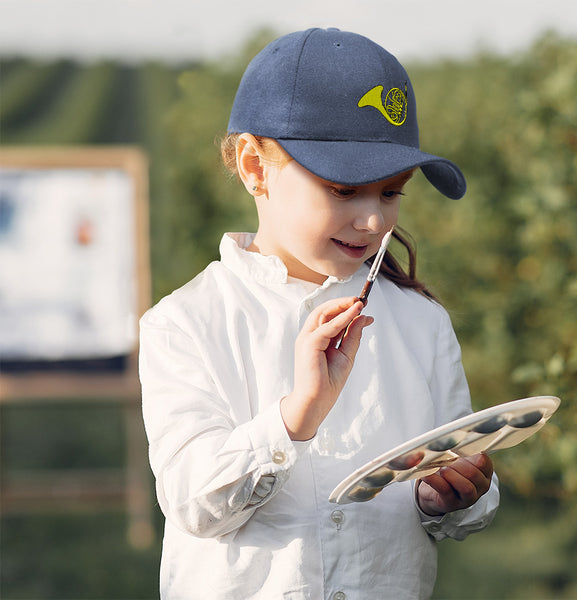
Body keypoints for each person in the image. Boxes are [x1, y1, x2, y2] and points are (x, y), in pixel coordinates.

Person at [139, 27, 499, 600]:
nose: (375, 221)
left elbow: (459, 476)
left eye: (391, 192)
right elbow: (192, 504)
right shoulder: (186, 323)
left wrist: (450, 495)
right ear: (255, 166)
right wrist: (294, 418)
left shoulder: (421, 323)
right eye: (342, 189)